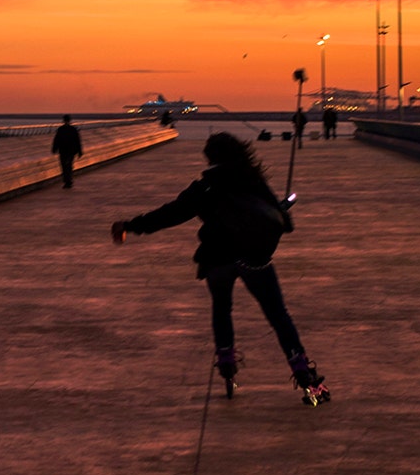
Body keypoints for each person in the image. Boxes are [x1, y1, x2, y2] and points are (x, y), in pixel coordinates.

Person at [110, 132, 330, 404]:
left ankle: (226, 360)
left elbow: (170, 213)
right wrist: (283, 212)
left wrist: (131, 226)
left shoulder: (205, 187)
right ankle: (301, 369)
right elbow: (276, 215)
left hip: (217, 258)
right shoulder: (253, 181)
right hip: (254, 258)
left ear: (210, 158)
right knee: (277, 314)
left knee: (222, 308)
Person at [51, 115, 83, 189]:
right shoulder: (73, 129)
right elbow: (77, 141)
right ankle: (69, 180)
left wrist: (54, 149)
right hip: (71, 151)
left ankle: (67, 181)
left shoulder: (61, 129)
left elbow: (56, 140)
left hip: (63, 151)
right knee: (69, 166)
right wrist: (79, 151)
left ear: (64, 121)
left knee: (64, 166)